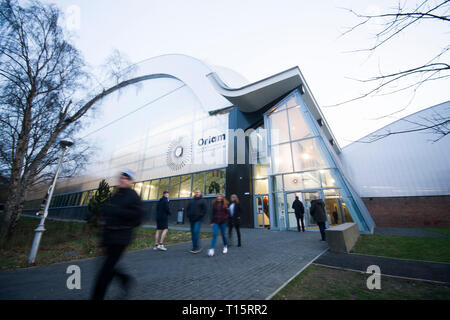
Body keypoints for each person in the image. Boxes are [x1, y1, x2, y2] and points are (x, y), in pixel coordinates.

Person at [91, 171, 144, 300]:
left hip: (121, 237)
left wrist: (118, 212)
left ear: (130, 181)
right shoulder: (115, 195)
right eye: (121, 178)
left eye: (126, 178)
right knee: (109, 266)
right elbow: (108, 215)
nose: (122, 180)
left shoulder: (133, 196)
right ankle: (125, 279)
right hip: (109, 236)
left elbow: (138, 217)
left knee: (106, 270)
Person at [186, 189, 207, 253]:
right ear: (194, 193)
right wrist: (188, 215)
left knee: (195, 232)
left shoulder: (203, 201)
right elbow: (188, 209)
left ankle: (197, 247)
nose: (197, 193)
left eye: (198, 192)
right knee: (193, 234)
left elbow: (204, 210)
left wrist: (200, 215)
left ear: (200, 193)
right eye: (196, 192)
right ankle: (194, 247)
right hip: (191, 219)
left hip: (198, 220)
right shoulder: (191, 201)